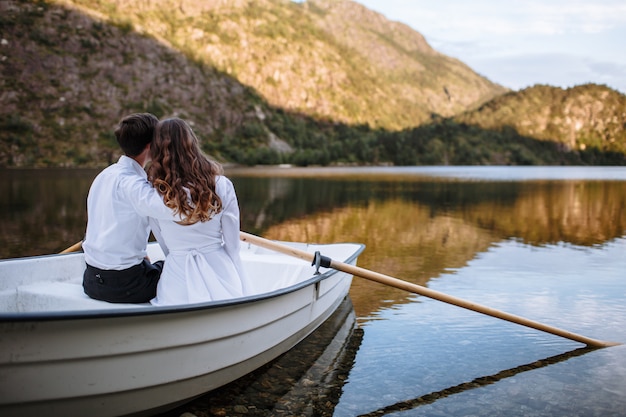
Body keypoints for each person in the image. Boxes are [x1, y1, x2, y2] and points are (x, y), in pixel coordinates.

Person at [147, 117, 250, 305]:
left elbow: (165, 245)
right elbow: (233, 245)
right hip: (219, 270)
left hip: (176, 281)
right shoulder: (221, 185)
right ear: (192, 144)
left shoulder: (152, 192)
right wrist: (237, 275)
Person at [82, 113, 173, 303]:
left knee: (153, 264)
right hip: (125, 286)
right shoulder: (135, 185)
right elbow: (172, 211)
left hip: (91, 280)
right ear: (150, 145)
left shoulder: (104, 175)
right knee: (183, 269)